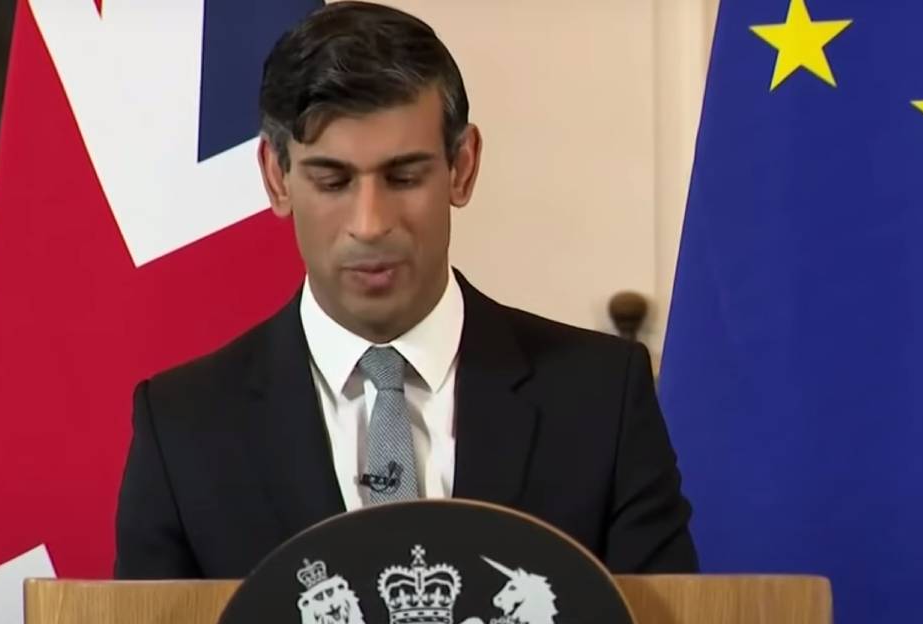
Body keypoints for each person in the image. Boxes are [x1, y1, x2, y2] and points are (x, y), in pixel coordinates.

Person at [113, 1, 695, 579]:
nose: (370, 223)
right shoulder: (184, 428)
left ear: (462, 167)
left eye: (404, 177)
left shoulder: (602, 399)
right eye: (332, 180)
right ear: (276, 177)